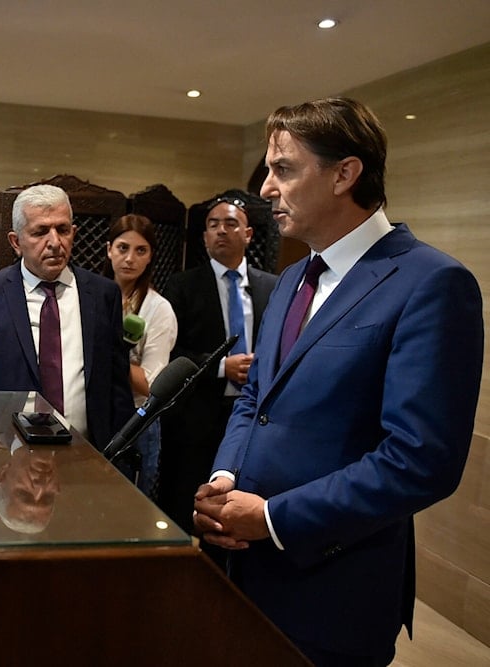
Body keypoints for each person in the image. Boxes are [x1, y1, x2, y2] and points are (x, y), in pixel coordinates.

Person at [193, 98, 484, 666]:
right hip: (244, 569)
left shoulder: (432, 283)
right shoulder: (294, 275)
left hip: (333, 588)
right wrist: (225, 478)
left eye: (283, 169)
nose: (267, 190)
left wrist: (274, 519)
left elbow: (421, 460)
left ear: (344, 173)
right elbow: (258, 397)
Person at [0, 184, 133, 450]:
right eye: (40, 232)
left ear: (73, 233)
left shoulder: (103, 294)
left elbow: (117, 386)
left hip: (89, 455)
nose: (54, 242)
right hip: (11, 458)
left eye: (62, 230)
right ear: (16, 242)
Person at [158, 192, 276, 541]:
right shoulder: (181, 285)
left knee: (234, 511)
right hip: (196, 415)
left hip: (252, 418)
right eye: (212, 225)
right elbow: (171, 353)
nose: (221, 231)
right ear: (204, 236)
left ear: (249, 234)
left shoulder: (272, 285)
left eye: (230, 223)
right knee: (186, 509)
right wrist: (221, 366)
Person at [102, 214, 177, 496]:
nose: (130, 258)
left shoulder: (159, 309)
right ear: (109, 249)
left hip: (136, 421)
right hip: (94, 413)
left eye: (140, 250)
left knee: (128, 507)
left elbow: (151, 385)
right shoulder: (90, 298)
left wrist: (113, 353)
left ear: (150, 257)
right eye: (123, 248)